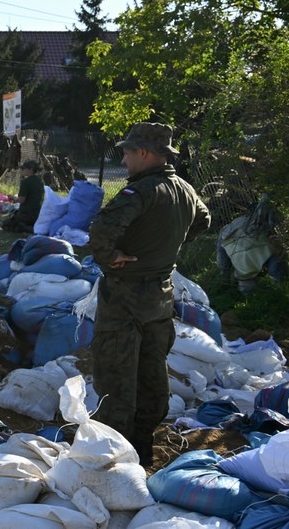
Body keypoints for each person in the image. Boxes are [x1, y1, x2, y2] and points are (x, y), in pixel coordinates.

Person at [89, 122, 210, 465]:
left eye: (126, 153)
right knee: (152, 375)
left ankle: (116, 462)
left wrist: (113, 257)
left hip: (125, 297)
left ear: (143, 153)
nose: (124, 160)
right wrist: (164, 247)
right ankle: (142, 452)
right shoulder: (184, 188)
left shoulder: (140, 192)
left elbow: (101, 231)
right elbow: (203, 221)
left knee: (117, 379)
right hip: (161, 297)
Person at [3, 159, 45, 233]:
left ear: (31, 169)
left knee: (6, 224)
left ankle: (26, 228)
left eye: (23, 168)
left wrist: (12, 197)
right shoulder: (40, 181)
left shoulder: (25, 182)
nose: (22, 170)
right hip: (38, 214)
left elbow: (21, 200)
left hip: (27, 214)